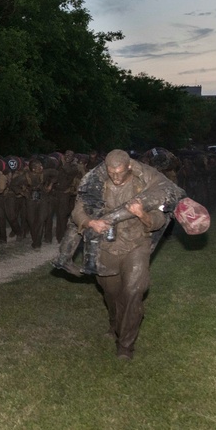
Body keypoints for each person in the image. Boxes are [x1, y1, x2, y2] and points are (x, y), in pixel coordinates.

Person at [70, 150, 174, 360]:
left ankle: (125, 346)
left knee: (133, 291)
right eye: (111, 172)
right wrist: (91, 223)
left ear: (128, 167)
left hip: (136, 245)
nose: (115, 177)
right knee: (111, 293)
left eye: (120, 172)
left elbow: (160, 219)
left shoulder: (143, 183)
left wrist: (142, 214)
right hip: (106, 247)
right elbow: (77, 210)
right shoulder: (97, 183)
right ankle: (114, 323)